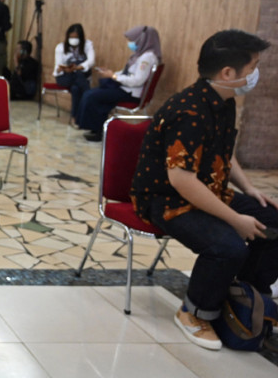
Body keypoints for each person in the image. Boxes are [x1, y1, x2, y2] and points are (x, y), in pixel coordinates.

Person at [131, 30, 276, 351]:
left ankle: (243, 292)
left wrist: (249, 189)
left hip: (207, 190)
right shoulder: (190, 111)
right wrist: (235, 219)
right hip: (166, 200)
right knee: (228, 246)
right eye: (252, 67)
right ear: (228, 73)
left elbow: (224, 152)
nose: (255, 74)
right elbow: (181, 180)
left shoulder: (223, 101)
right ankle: (194, 313)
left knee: (272, 221)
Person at [79, 25, 162, 142]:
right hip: (125, 89)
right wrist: (110, 73)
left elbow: (137, 80)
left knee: (92, 95)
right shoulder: (140, 55)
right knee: (95, 92)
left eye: (133, 41)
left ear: (142, 40)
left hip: (131, 93)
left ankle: (97, 131)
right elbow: (127, 73)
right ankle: (97, 129)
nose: (131, 43)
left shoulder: (147, 58)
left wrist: (113, 76)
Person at [53, 23, 95, 125]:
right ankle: (90, 97)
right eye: (71, 37)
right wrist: (63, 69)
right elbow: (57, 66)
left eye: (76, 37)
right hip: (64, 77)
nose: (73, 39)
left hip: (78, 76)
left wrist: (77, 67)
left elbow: (91, 61)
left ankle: (74, 117)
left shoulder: (88, 44)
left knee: (76, 88)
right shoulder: (60, 47)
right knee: (78, 75)